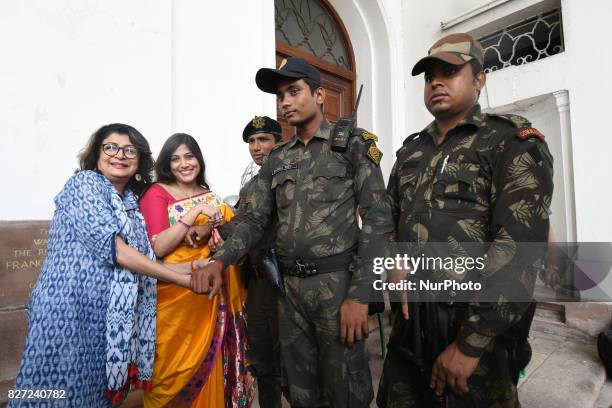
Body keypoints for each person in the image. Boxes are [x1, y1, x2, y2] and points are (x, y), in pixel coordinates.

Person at [193, 57, 394, 407]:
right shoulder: (278, 158)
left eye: (294, 91)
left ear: (319, 95)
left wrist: (361, 296)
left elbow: (378, 220)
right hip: (289, 293)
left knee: (345, 392)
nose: (285, 102)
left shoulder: (353, 144)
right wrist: (218, 260)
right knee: (301, 392)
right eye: (280, 95)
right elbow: (254, 220)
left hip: (337, 288)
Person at [377, 33, 554, 407]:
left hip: (474, 331)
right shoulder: (411, 151)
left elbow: (520, 247)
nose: (436, 82)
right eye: (429, 77)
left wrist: (471, 344)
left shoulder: (510, 141)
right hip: (411, 325)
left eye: (450, 71)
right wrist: (392, 260)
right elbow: (385, 219)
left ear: (479, 80)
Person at [10, 124, 202, 408]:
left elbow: (144, 264)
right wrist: (184, 280)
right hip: (67, 314)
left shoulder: (130, 204)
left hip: (107, 321)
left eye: (129, 150)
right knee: (51, 392)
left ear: (140, 160)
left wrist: (196, 266)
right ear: (96, 153)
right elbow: (118, 252)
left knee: (94, 396)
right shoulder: (84, 184)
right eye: (110, 147)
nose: (119, 155)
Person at [139, 133, 254, 408]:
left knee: (213, 369)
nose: (183, 164)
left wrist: (219, 235)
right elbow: (158, 248)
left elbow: (230, 238)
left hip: (213, 295)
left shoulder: (211, 196)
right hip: (176, 297)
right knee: (171, 372)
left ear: (198, 159)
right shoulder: (157, 193)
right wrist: (192, 214)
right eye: (175, 158)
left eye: (189, 156)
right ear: (167, 164)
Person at [210, 116, 284, 408]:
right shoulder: (251, 186)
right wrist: (212, 230)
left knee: (293, 365)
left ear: (278, 142)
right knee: (264, 363)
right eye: (252, 141)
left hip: (286, 283)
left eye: (263, 139)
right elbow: (242, 223)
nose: (256, 147)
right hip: (258, 282)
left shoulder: (289, 177)